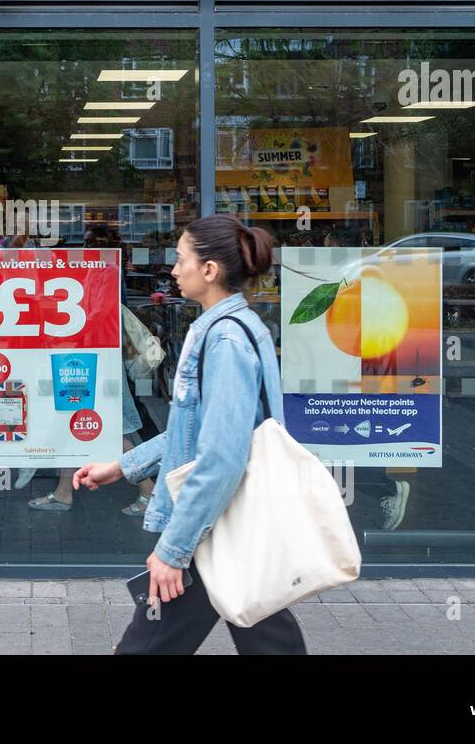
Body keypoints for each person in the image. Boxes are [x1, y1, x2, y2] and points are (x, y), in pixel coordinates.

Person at [73, 214, 308, 655]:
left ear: (209, 270)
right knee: (267, 637)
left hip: (216, 519)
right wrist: (124, 466)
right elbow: (194, 430)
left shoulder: (225, 343)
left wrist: (173, 551)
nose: (173, 270)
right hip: (230, 520)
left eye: (181, 260)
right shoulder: (233, 329)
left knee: (150, 644)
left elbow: (220, 455)